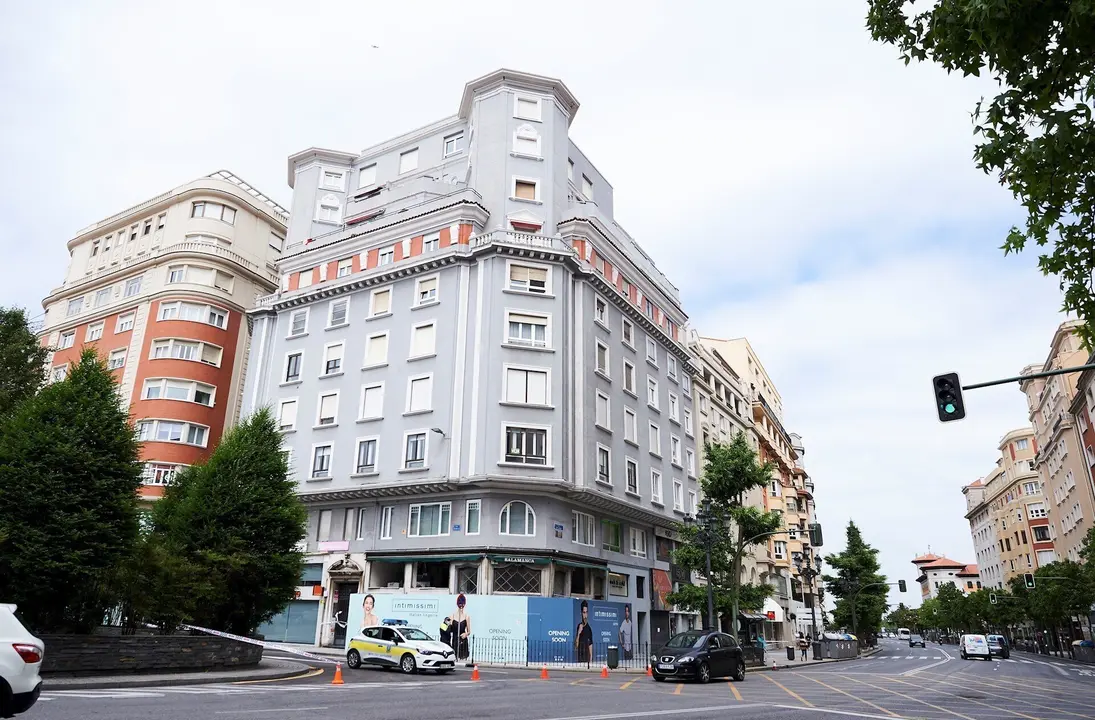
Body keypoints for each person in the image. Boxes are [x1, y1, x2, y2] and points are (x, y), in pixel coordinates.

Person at [576, 600, 593, 667]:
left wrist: (591, 660)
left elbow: (590, 645)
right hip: (579, 659)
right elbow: (576, 645)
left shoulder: (589, 629)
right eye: (584, 612)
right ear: (581, 613)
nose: (585, 615)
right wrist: (578, 633)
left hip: (587, 660)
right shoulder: (579, 626)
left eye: (586, 612)